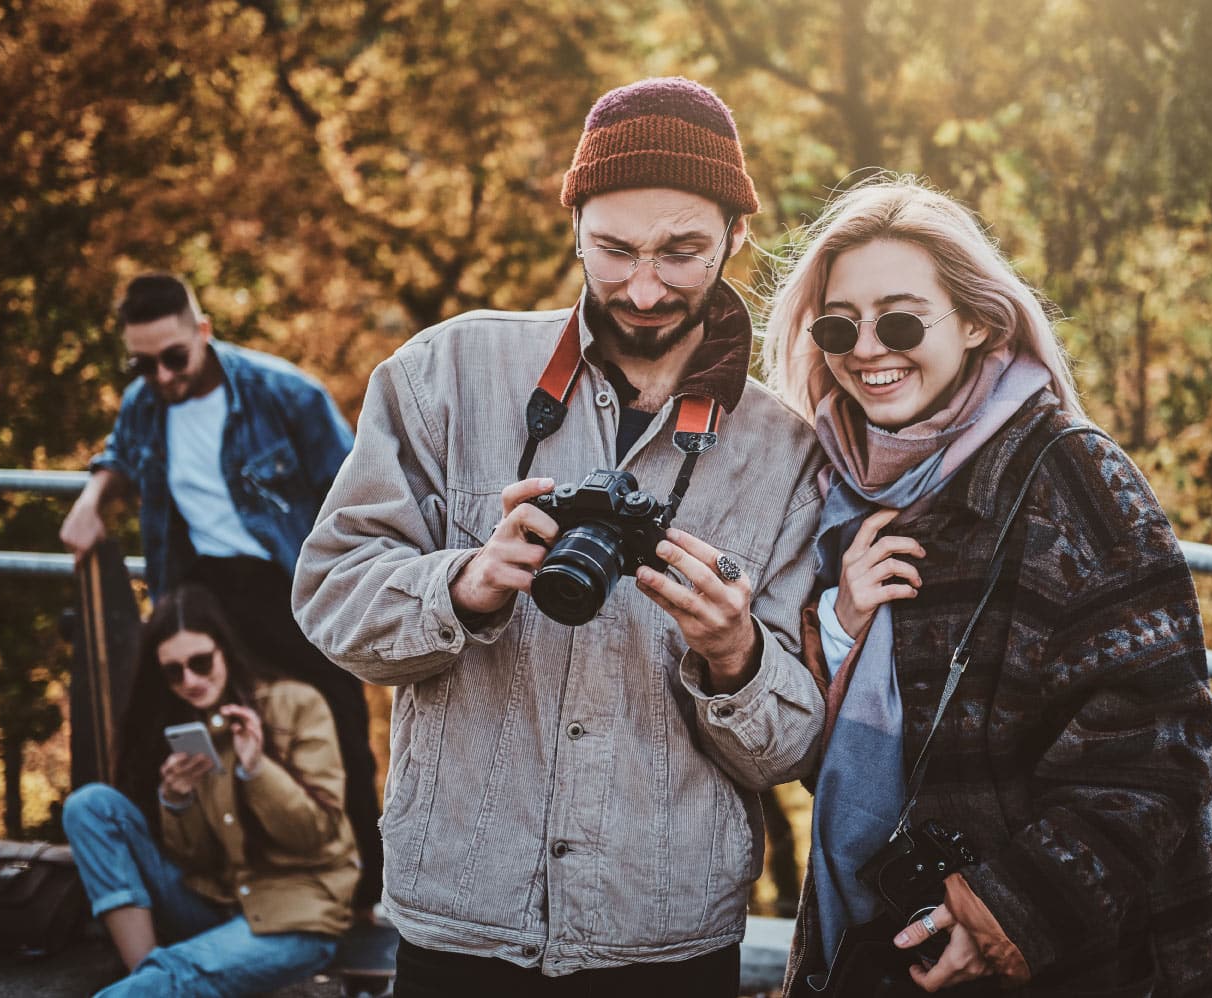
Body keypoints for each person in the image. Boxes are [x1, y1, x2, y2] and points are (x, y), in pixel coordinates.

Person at [291, 77, 825, 997]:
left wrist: (737, 655)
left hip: (666, 935)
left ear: (738, 235)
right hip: (459, 914)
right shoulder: (444, 373)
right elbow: (330, 599)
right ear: (572, 222)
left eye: (683, 251)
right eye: (613, 250)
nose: (645, 286)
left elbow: (790, 750)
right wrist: (464, 584)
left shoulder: (787, 453)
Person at [761, 175, 1212, 996]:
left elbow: (1162, 732)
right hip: (881, 939)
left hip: (1065, 957)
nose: (867, 347)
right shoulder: (837, 493)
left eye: (901, 319)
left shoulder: (1071, 476)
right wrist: (840, 619)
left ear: (979, 321)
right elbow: (809, 755)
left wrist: (1007, 912)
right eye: (840, 324)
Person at [58, 272, 383, 910]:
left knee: (337, 720)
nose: (162, 375)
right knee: (179, 718)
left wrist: (353, 583)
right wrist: (93, 497)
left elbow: (360, 485)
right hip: (198, 587)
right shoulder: (145, 401)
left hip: (289, 584)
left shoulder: (283, 393)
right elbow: (119, 453)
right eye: (142, 363)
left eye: (174, 357)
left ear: (202, 333)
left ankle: (363, 889)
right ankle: (210, 883)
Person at [62, 584, 359, 996]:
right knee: (90, 805)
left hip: (297, 918)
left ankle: (152, 984)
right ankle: (146, 979)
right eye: (174, 671)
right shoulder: (188, 726)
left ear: (224, 651)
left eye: (201, 662)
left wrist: (257, 769)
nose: (190, 680)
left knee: (174, 976)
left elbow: (316, 835)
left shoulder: (297, 704)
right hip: (216, 904)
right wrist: (176, 802)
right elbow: (194, 859)